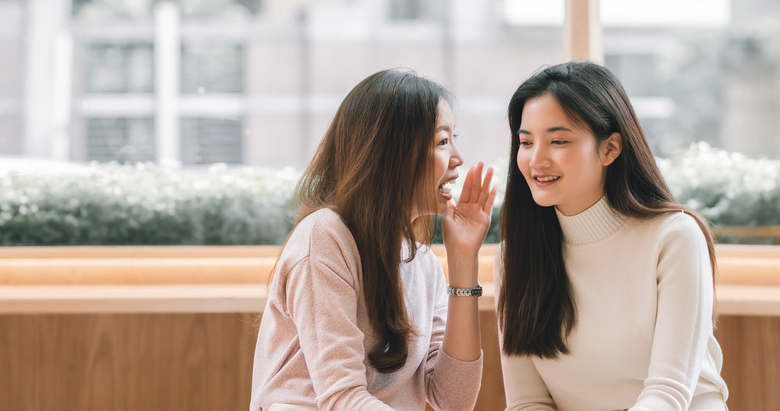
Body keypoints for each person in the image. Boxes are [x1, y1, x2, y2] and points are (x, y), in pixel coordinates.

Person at [250, 68, 497, 411]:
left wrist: (464, 263)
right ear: (391, 152)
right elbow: (341, 397)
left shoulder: (423, 264)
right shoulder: (325, 237)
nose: (457, 157)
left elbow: (453, 400)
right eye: (442, 140)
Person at [495, 61, 729, 410]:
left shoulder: (675, 238)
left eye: (558, 140)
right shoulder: (514, 257)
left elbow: (667, 395)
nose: (536, 159)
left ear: (610, 149)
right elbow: (527, 401)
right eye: (526, 142)